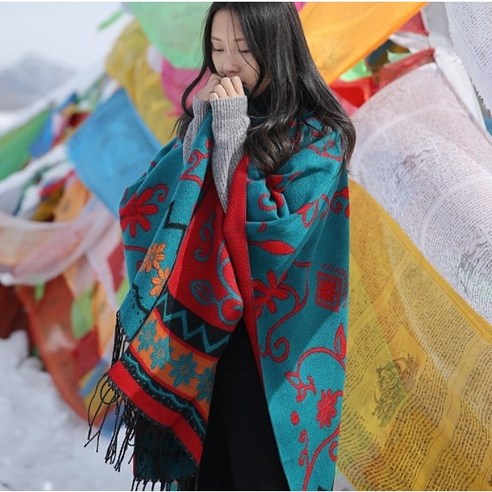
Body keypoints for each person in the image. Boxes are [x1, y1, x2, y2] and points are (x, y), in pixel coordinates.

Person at [87, 3, 355, 491]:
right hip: (200, 347)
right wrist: (199, 138)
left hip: (272, 360)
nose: (227, 64)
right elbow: (145, 209)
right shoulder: (208, 121)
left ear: (279, 46)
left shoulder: (321, 138)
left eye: (244, 50)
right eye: (216, 49)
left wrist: (230, 144)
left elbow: (270, 243)